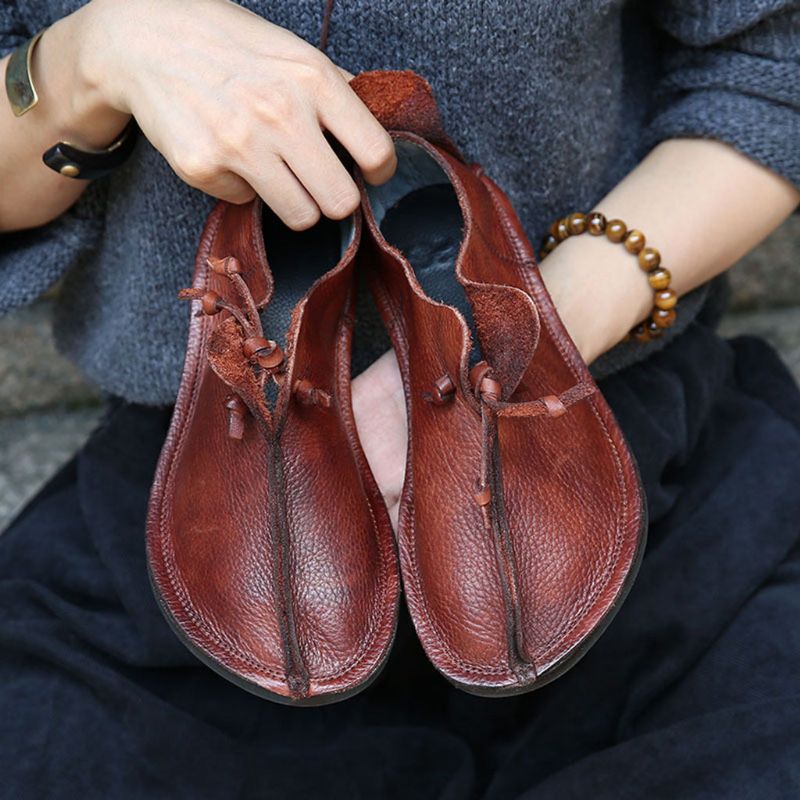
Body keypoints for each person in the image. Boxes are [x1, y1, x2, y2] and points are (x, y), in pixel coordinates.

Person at [1, 1, 799, 797]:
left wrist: (533, 331)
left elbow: (775, 70)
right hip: (210, 497)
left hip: (621, 446)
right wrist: (92, 58)